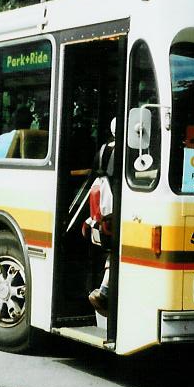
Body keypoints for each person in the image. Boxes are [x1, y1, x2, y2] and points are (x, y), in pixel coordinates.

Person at [87, 118, 117, 316]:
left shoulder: (104, 148)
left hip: (102, 207)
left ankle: (104, 289)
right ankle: (104, 290)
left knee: (110, 249)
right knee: (115, 250)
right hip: (115, 206)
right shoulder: (128, 152)